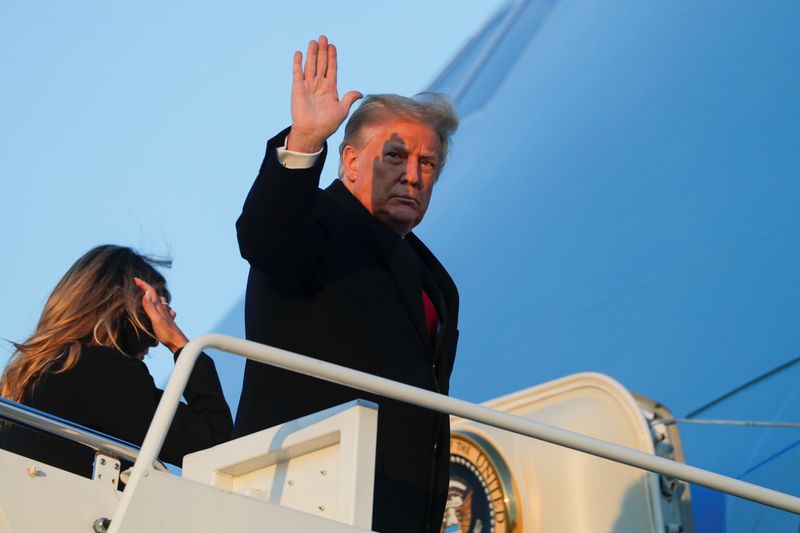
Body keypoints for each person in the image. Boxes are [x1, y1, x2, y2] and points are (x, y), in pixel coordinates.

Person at [234, 36, 459, 532]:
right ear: (352, 162)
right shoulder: (315, 223)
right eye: (396, 157)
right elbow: (264, 237)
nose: (413, 176)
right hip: (307, 491)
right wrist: (306, 140)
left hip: (398, 505)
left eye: (428, 164)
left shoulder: (432, 275)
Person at [0, 245, 232, 477]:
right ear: (128, 306)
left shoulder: (29, 380)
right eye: (158, 311)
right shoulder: (102, 371)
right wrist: (180, 344)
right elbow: (215, 446)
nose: (153, 341)